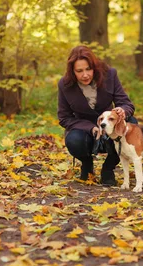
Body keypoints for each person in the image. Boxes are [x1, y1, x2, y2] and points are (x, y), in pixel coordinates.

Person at [57, 45, 137, 185]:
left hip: (109, 126)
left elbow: (126, 103)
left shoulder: (109, 75)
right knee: (74, 140)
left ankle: (108, 168)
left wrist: (122, 110)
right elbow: (64, 118)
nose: (85, 74)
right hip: (83, 130)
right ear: (72, 71)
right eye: (79, 71)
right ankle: (87, 165)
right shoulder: (65, 85)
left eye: (88, 69)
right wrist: (90, 127)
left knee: (132, 123)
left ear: (94, 66)